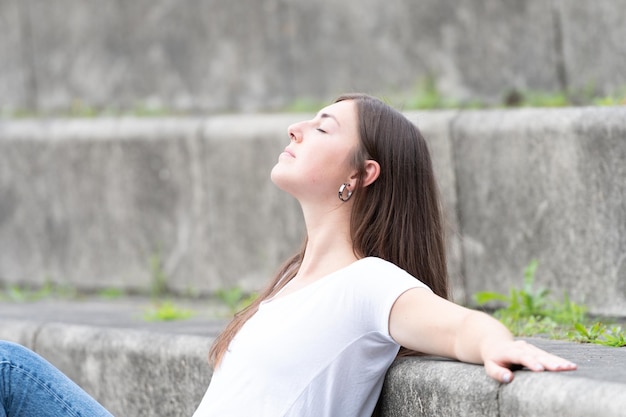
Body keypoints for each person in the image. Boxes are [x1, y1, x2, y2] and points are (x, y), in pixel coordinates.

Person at [0, 93, 576, 417]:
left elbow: (456, 327)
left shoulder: (370, 283)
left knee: (8, 368)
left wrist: (496, 343)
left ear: (362, 173)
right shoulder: (286, 286)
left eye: (323, 127)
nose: (297, 128)